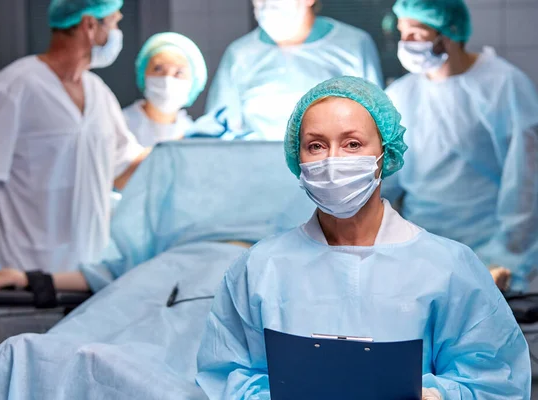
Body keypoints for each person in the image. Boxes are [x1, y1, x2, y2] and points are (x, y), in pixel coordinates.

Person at [196, 77, 530, 399]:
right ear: (297, 158)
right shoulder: (259, 269)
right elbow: (226, 375)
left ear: (384, 153)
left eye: (352, 144)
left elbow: (494, 379)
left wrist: (436, 396)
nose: (333, 160)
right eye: (316, 145)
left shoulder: (448, 267)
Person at [0, 0, 151, 292]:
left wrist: (183, 147)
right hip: (22, 280)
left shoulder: (100, 94)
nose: (117, 34)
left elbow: (121, 170)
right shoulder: (14, 87)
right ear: (90, 25)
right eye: (114, 22)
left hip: (86, 281)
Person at [382, 0, 538, 292]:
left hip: (489, 251)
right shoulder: (401, 94)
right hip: (420, 249)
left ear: (449, 33)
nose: (406, 44)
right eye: (402, 34)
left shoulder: (504, 85)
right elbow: (387, 180)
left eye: (415, 34)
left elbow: (525, 184)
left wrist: (507, 258)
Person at [205, 0, 384, 140]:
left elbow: (378, 123)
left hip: (333, 171)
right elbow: (217, 129)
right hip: (256, 170)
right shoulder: (240, 54)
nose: (267, 4)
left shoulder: (352, 45)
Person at [123, 32, 208, 147]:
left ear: (193, 83)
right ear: (143, 73)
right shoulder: (119, 125)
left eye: (179, 72)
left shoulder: (191, 135)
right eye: (158, 69)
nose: (167, 80)